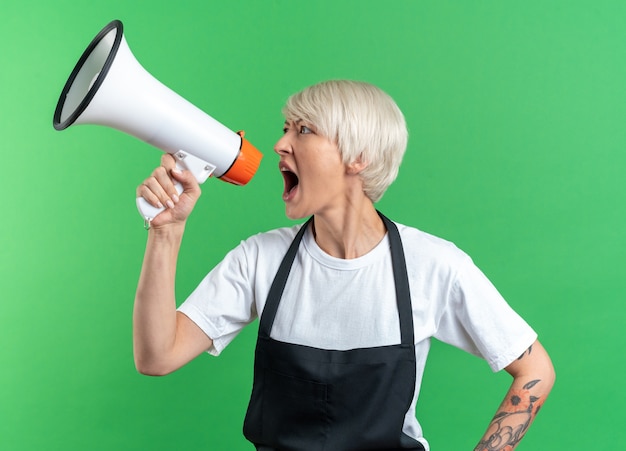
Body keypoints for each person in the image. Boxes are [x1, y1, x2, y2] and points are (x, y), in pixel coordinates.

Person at [133, 80, 555, 450]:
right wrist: (165, 232)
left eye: (304, 130)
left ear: (359, 158)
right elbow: (157, 356)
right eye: (285, 129)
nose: (281, 143)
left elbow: (535, 369)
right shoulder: (260, 258)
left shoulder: (433, 265)